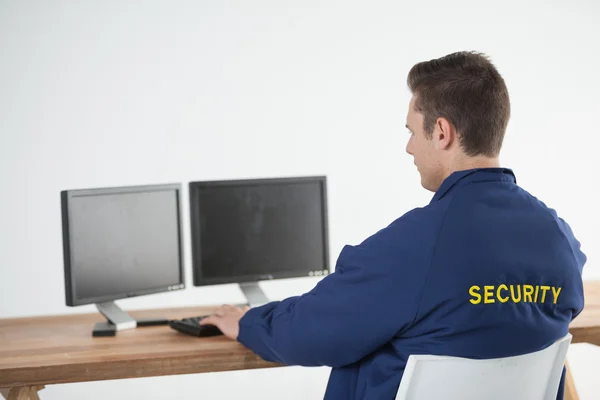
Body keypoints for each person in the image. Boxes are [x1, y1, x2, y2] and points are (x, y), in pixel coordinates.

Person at [200, 51, 586, 400]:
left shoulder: (413, 247)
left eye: (411, 132)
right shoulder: (559, 241)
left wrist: (249, 322)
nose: (409, 147)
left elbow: (314, 330)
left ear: (441, 132)